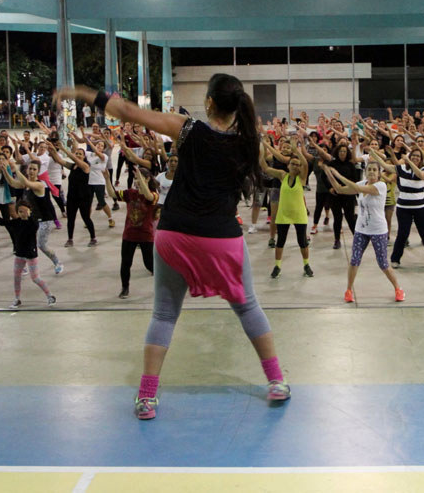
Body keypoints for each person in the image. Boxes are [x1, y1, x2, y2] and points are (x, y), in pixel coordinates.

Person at [56, 74, 291, 421]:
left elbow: (127, 111)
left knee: (164, 314)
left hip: (174, 235)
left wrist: (82, 93)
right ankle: (276, 381)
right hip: (221, 239)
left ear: (209, 102)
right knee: (248, 306)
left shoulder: (186, 128)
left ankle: (147, 397)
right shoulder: (249, 142)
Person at [324, 161, 404, 302]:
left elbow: (355, 187)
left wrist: (337, 174)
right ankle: (348, 290)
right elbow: (340, 189)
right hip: (361, 229)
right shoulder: (363, 183)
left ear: (379, 173)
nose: (372, 172)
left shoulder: (381, 186)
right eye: (369, 169)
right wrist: (328, 173)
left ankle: (398, 288)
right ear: (365, 171)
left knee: (383, 264)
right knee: (354, 260)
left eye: (375, 170)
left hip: (378, 230)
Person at [0, 200, 56, 308]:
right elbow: (2, 222)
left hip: (30, 255)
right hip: (19, 254)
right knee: (16, 277)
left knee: (35, 278)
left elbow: (33, 226)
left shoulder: (33, 223)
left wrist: (29, 216)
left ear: (30, 211)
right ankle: (17, 299)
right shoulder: (16, 222)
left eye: (25, 211)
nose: (22, 213)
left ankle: (50, 296)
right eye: (20, 211)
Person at [259, 138, 313, 279]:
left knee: (302, 242)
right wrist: (260, 153)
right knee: (280, 241)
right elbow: (265, 168)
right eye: (293, 164)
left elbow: (305, 163)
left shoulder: (302, 178)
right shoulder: (282, 175)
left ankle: (306, 264)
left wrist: (297, 151)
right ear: (288, 166)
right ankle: (277, 266)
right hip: (284, 215)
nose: (295, 166)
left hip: (299, 215)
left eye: (297, 165)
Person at [105, 165, 158, 298]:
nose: (136, 181)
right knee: (126, 263)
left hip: (146, 235)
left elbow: (148, 196)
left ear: (147, 179)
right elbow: (113, 194)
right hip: (129, 234)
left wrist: (142, 179)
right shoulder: (130, 193)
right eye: (135, 178)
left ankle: (163, 282)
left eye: (138, 178)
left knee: (149, 263)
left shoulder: (154, 195)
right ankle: (125, 288)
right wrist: (107, 180)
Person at [4, 158, 63, 275]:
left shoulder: (39, 185)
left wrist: (15, 168)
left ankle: (58, 262)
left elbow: (26, 183)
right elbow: (12, 182)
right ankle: (25, 266)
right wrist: (4, 169)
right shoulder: (25, 184)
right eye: (29, 168)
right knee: (26, 242)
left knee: (42, 245)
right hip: (33, 220)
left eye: (34, 169)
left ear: (38, 172)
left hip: (45, 220)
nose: (31, 171)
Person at [386, 147, 424, 268]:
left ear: (421, 159)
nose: (415, 157)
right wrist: (374, 154)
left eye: (418, 156)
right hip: (403, 208)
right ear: (410, 156)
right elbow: (387, 167)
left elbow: (421, 175)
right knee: (402, 234)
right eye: (413, 155)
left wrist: (408, 161)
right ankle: (395, 259)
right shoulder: (401, 169)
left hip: (421, 208)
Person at [48, 141, 97, 248]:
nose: (78, 155)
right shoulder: (73, 166)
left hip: (84, 197)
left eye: (80, 154)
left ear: (84, 156)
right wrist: (52, 150)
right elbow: (59, 161)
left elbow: (74, 159)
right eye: (77, 153)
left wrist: (64, 149)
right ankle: (70, 239)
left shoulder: (86, 166)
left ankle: (93, 237)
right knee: (71, 218)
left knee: (86, 218)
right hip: (72, 197)